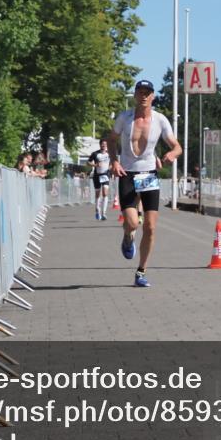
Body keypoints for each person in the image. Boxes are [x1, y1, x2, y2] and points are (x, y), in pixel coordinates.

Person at [108, 79, 181, 287]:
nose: (144, 96)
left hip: (148, 174)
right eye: (140, 92)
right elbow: (112, 139)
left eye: (147, 92)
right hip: (128, 173)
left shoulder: (160, 120)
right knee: (131, 222)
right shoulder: (125, 118)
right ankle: (127, 237)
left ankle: (141, 271)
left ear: (153, 96)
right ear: (135, 95)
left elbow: (177, 146)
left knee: (150, 227)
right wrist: (114, 161)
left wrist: (171, 155)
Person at [87, 138, 112, 221]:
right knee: (98, 194)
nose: (104, 146)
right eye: (102, 144)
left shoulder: (109, 153)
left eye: (105, 144)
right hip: (97, 176)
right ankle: (97, 211)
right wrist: (95, 165)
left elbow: (113, 163)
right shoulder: (95, 154)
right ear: (100, 145)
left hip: (106, 175)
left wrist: (110, 168)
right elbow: (88, 162)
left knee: (105, 193)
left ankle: (104, 213)